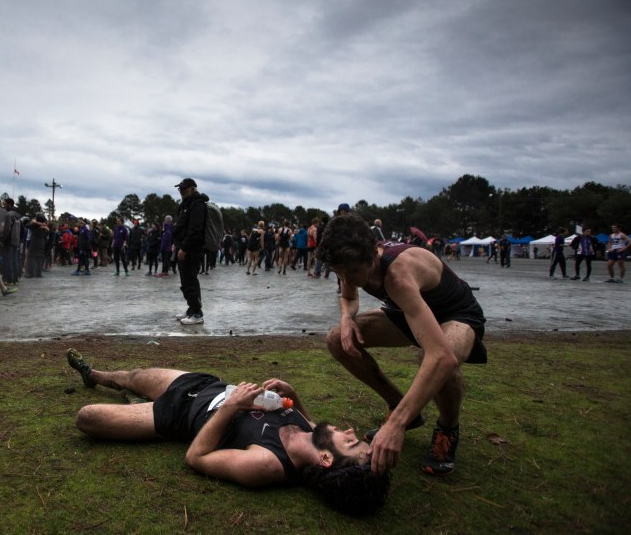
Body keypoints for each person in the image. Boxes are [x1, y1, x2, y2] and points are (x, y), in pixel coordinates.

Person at [65, 349, 389, 516]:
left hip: (179, 415)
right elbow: (305, 417)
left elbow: (197, 456)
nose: (349, 430)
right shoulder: (312, 431)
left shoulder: (267, 465)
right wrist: (293, 393)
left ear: (327, 458)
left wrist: (233, 406)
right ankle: (94, 376)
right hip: (204, 385)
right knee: (132, 375)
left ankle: (133, 399)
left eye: (350, 441)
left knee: (88, 418)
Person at [317, 214, 487, 477]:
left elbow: (441, 357)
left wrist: (394, 426)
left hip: (456, 315)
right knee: (336, 338)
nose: (346, 277)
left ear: (373, 254)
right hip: (407, 310)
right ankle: (399, 405)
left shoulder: (398, 273)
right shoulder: (348, 264)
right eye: (340, 272)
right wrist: (347, 318)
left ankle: (447, 428)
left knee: (438, 359)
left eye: (351, 272)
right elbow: (348, 297)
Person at [172, 178, 207, 325]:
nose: (181, 192)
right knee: (185, 282)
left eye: (184, 189)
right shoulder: (186, 204)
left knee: (191, 281)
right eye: (180, 189)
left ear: (192, 189)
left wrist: (185, 248)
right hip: (182, 248)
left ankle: (197, 313)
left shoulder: (197, 205)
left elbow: (194, 230)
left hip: (192, 249)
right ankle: (191, 309)